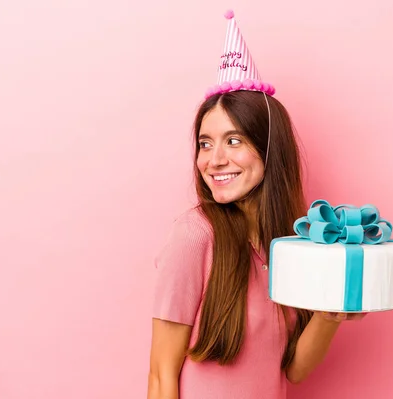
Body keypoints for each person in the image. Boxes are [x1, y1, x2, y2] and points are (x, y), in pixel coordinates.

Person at [147, 10, 366, 399]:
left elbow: (294, 370)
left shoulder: (289, 241)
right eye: (205, 143)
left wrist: (332, 310)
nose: (213, 159)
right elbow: (162, 376)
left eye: (233, 141)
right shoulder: (195, 235)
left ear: (269, 148)